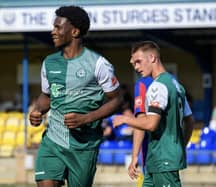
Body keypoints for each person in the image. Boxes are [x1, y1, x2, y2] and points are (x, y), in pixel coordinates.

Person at [29, 6, 122, 187]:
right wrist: (38, 110)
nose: (53, 31)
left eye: (58, 27)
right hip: (53, 141)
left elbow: (117, 100)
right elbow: (47, 95)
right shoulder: (49, 62)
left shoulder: (98, 64)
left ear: (75, 31)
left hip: (84, 146)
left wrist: (87, 118)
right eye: (53, 27)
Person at [113, 41, 194, 187]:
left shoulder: (156, 86)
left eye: (138, 62)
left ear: (152, 58)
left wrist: (125, 119)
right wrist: (180, 146)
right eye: (133, 64)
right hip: (156, 160)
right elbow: (190, 120)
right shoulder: (177, 85)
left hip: (163, 160)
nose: (136, 68)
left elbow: (150, 124)